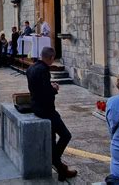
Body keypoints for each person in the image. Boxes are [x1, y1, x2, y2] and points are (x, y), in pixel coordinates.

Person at [26, 46, 77, 182]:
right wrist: (54, 89)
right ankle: (55, 160)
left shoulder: (31, 67)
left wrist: (49, 87)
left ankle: (61, 170)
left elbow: (37, 88)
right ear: (51, 58)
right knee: (66, 135)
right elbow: (45, 93)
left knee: (52, 138)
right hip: (46, 110)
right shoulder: (43, 70)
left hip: (36, 106)